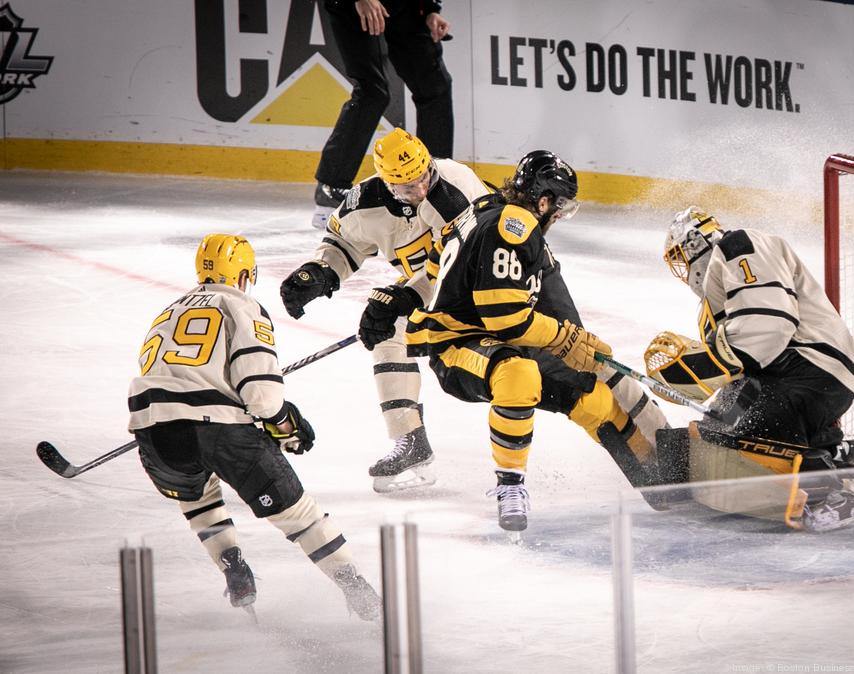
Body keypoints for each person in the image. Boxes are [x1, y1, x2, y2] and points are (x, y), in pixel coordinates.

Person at [405, 150, 667, 532]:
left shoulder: (489, 207)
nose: (559, 215)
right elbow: (505, 319)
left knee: (592, 397)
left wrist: (576, 342)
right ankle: (509, 487)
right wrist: (564, 338)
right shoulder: (514, 225)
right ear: (543, 200)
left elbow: (436, 262)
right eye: (559, 206)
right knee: (519, 373)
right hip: (458, 346)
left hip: (500, 339)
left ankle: (662, 482)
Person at [127, 233, 380, 618]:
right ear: (245, 273)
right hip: (221, 431)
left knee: (198, 498)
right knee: (298, 515)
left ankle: (231, 563)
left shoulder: (168, 311)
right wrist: (284, 423)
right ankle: (355, 587)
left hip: (152, 430)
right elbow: (262, 396)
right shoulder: (241, 305)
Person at [281, 127, 489, 492]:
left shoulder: (458, 183)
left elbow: (468, 265)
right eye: (409, 188)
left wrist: (407, 295)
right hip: (432, 292)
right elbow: (342, 243)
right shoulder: (364, 203)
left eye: (424, 178)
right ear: (389, 184)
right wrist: (319, 272)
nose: (421, 191)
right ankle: (411, 443)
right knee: (387, 332)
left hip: (492, 288)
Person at [646, 206, 854, 531]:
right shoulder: (716, 297)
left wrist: (701, 367)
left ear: (694, 245)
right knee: (717, 423)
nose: (684, 270)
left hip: (809, 369)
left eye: (681, 257)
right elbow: (744, 365)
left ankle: (825, 488)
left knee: (720, 436)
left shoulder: (738, 246)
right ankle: (824, 447)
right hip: (806, 377)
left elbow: (769, 327)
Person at [312, 0, 454, 228]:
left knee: (435, 86)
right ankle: (331, 187)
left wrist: (429, 9)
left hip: (403, 6)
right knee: (372, 91)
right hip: (352, 6)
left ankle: (434, 183)